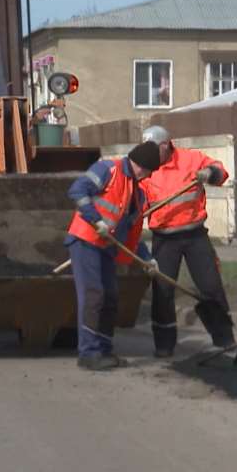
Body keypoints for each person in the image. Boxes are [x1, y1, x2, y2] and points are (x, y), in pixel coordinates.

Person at [64, 141, 163, 371]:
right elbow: (77, 190)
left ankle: (104, 350)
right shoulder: (108, 170)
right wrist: (95, 220)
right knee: (94, 294)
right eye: (148, 171)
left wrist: (147, 259)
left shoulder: (136, 193)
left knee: (110, 296)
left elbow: (131, 234)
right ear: (140, 165)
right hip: (85, 241)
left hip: (106, 248)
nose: (148, 176)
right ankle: (88, 353)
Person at [140, 125, 234, 357]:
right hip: (164, 238)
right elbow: (137, 199)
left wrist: (210, 173)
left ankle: (224, 337)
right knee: (162, 290)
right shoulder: (146, 168)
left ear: (165, 145)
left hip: (194, 235)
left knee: (210, 286)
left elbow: (221, 172)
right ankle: (164, 344)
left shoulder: (191, 159)